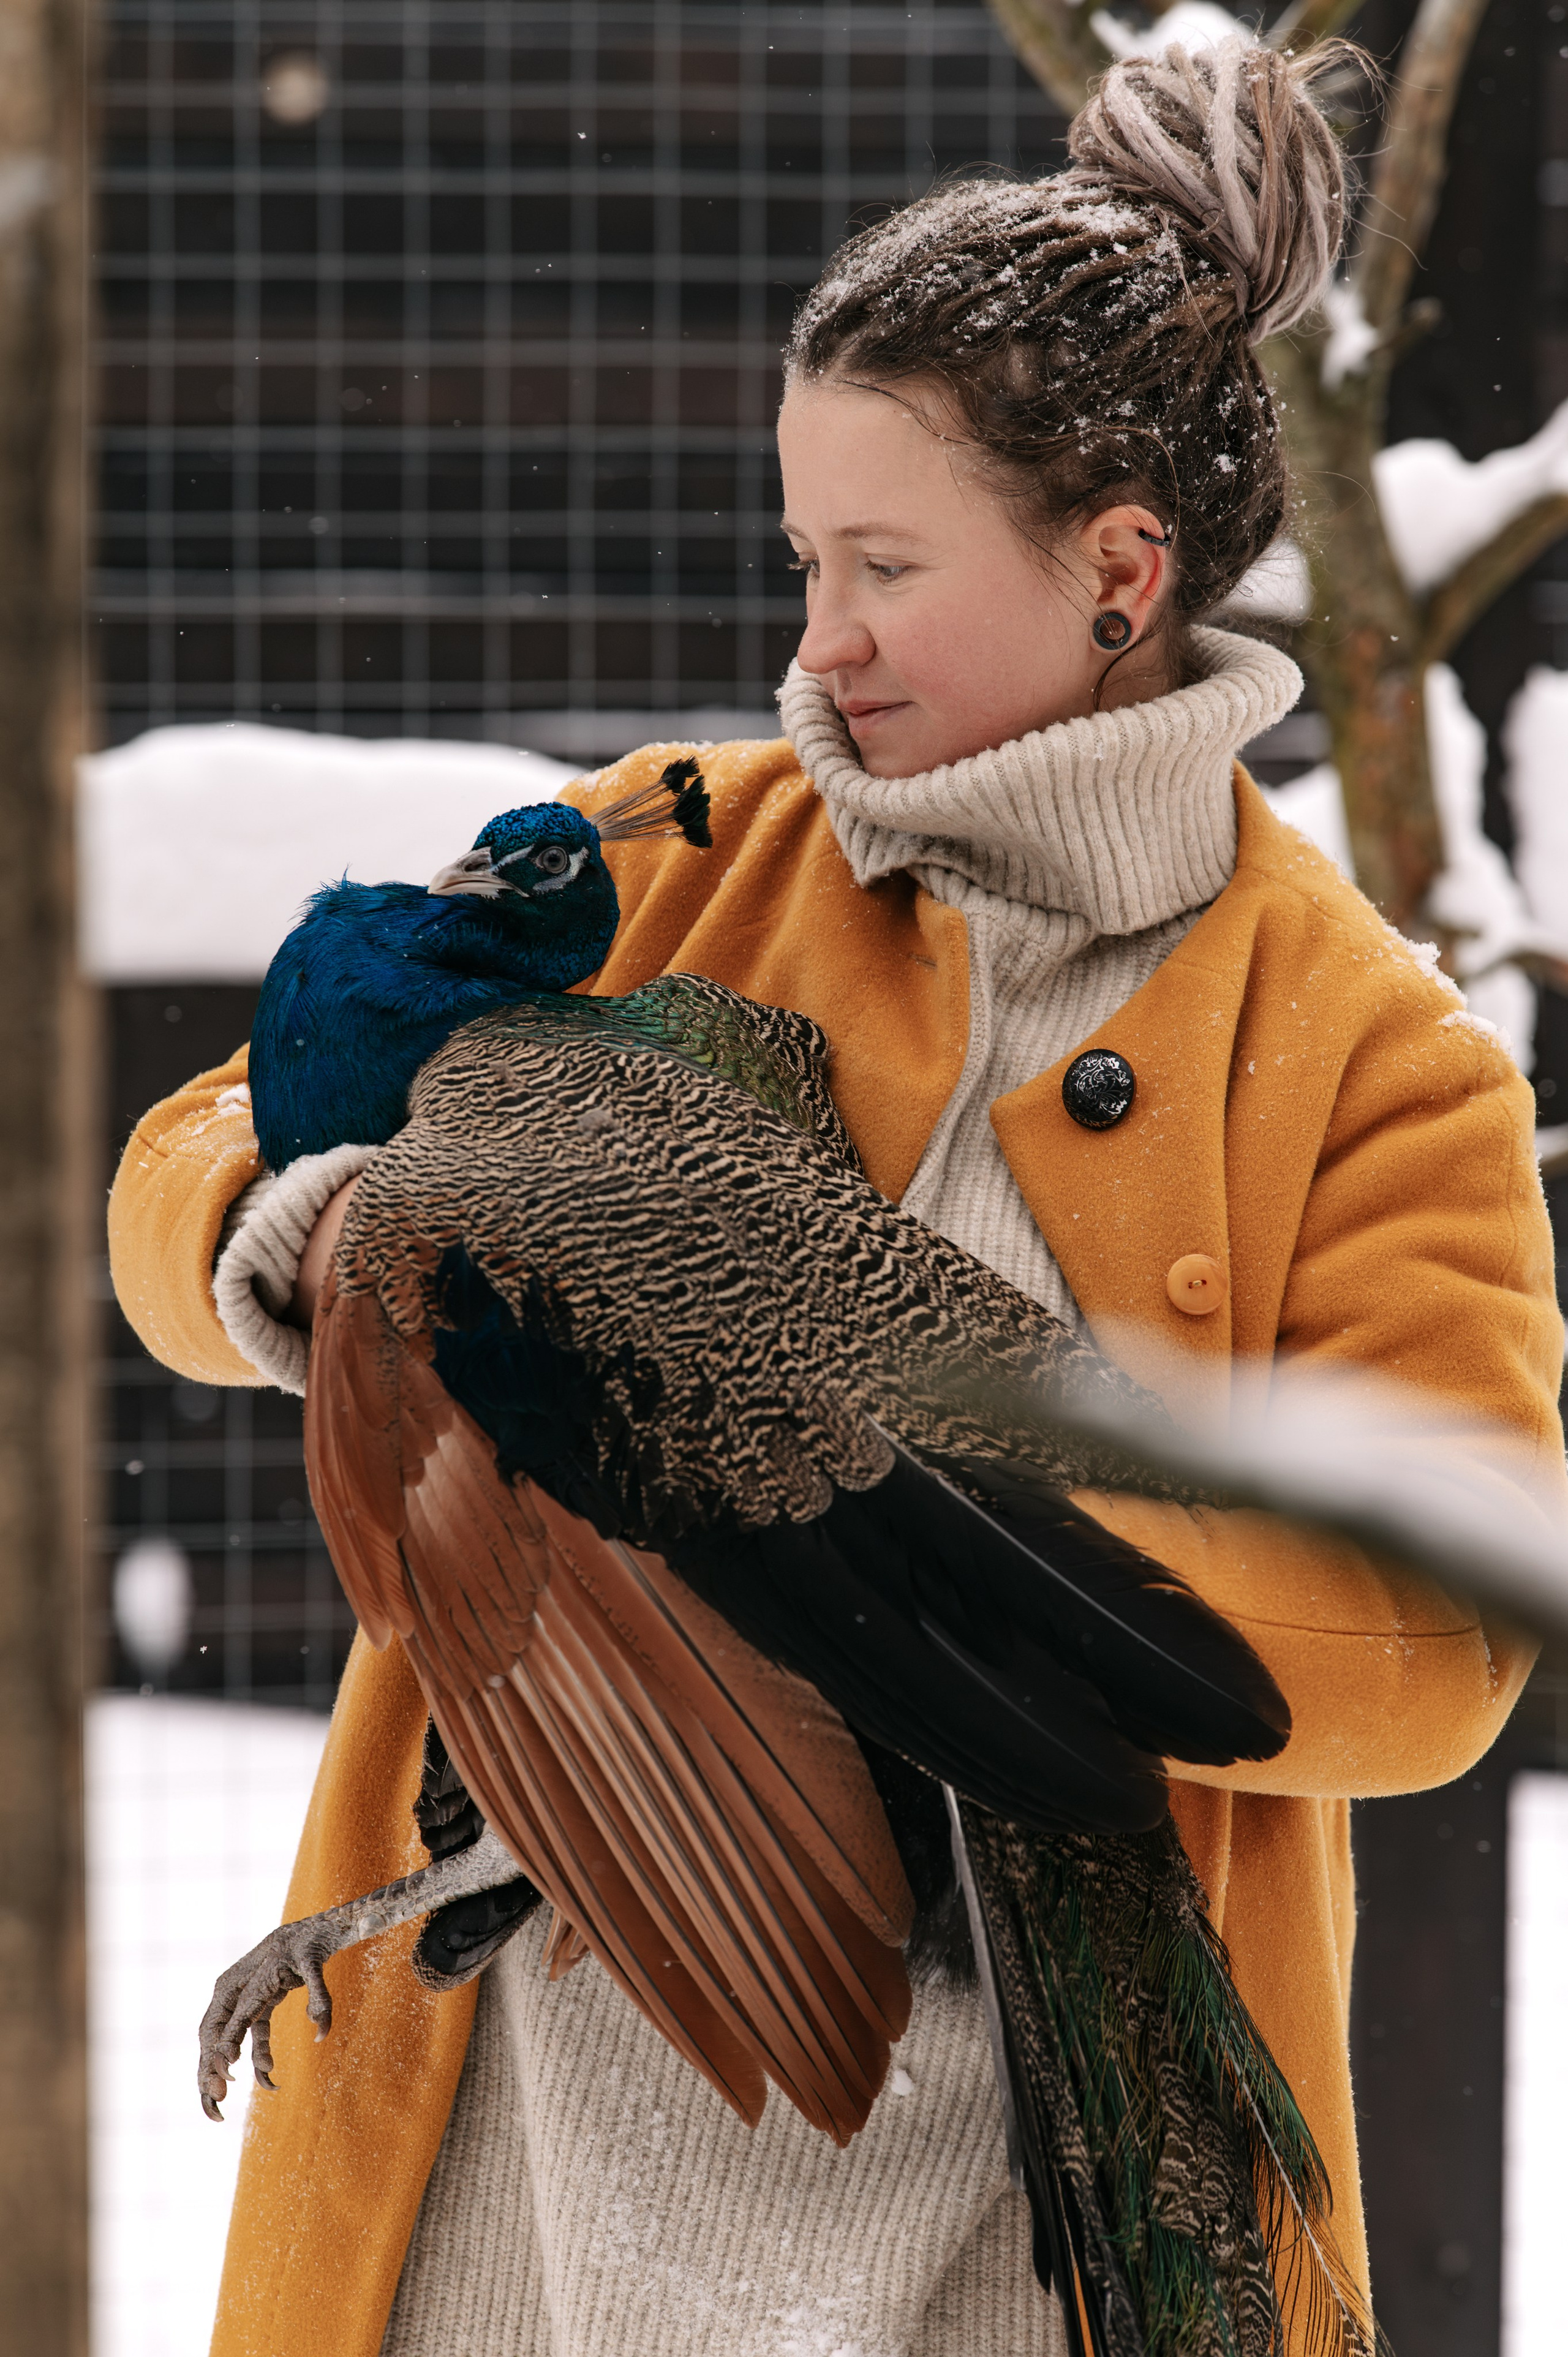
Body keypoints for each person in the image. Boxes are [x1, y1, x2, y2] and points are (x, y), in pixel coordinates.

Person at [108, 39, 1563, 2357]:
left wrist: (911, 1557)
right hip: (554, 2100)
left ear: (1119, 571)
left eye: (885, 567)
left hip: (1025, 2161)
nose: (820, 639)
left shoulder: (1371, 1050)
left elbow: (1441, 1634)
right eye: (805, 559)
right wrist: (294, 1241)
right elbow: (200, 1146)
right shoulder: (679, 854)